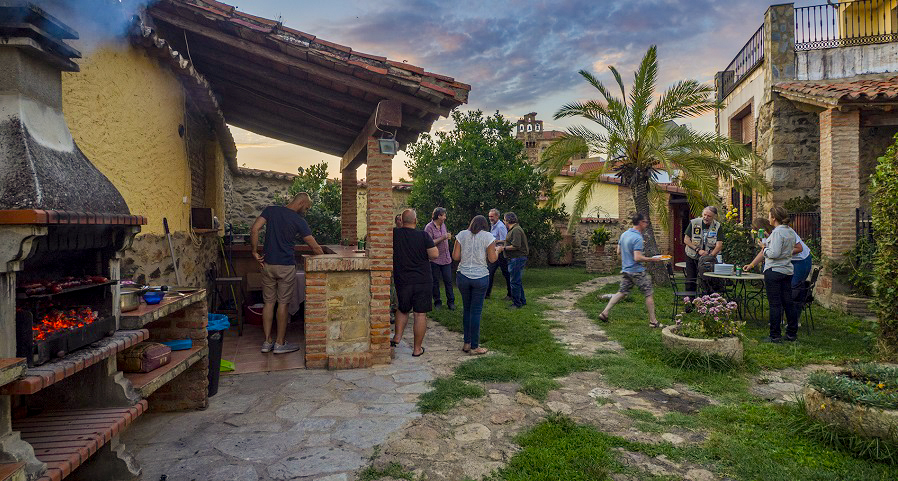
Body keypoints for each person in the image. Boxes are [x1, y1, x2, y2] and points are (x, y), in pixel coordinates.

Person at [250, 192, 324, 354]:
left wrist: (255, 252)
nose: (306, 210)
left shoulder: (271, 211)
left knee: (268, 303)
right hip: (286, 267)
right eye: (307, 207)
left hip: (267, 265)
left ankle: (267, 341)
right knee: (283, 304)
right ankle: (279, 343)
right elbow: (315, 247)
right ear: (301, 202)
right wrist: (326, 259)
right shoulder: (299, 220)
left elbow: (255, 229)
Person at [598, 213, 666, 327]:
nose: (647, 224)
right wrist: (653, 259)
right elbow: (637, 258)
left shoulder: (624, 234)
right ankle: (653, 322)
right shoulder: (638, 238)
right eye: (645, 222)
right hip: (637, 271)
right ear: (640, 223)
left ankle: (605, 313)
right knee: (649, 294)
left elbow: (618, 252)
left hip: (626, 270)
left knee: (622, 292)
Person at [744, 207, 799, 343]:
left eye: (770, 216)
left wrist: (764, 247)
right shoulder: (790, 231)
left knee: (775, 304)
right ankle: (792, 333)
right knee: (788, 302)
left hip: (774, 270)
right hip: (787, 270)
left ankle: (775, 335)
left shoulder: (777, 233)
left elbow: (774, 253)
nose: (768, 219)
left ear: (774, 218)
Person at [392, 209, 439, 357]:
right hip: (422, 279)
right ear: (415, 221)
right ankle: (417, 349)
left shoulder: (395, 234)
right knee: (420, 314)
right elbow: (434, 254)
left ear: (401, 220)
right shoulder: (423, 235)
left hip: (403, 279)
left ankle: (397, 337)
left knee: (403, 308)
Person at [452, 215, 498, 355]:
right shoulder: (488, 237)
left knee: (467, 309)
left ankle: (467, 343)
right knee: (476, 311)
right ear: (484, 225)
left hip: (463, 276)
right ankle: (475, 346)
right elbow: (492, 258)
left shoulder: (461, 235)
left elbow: (455, 257)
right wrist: (498, 251)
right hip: (480, 277)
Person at [749, 217, 808, 322]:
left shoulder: (784, 231)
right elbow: (765, 251)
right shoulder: (768, 236)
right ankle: (779, 319)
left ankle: (794, 321)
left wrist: (780, 253)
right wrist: (752, 265)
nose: (758, 233)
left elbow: (799, 248)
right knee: (780, 294)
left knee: (794, 290)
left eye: (758, 230)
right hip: (785, 263)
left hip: (801, 260)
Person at [683, 206, 723, 294]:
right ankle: (689, 304)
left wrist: (711, 256)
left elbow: (719, 245)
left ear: (714, 217)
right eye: (704, 215)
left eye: (709, 216)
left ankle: (707, 302)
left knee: (708, 281)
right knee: (691, 280)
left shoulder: (717, 226)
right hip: (692, 255)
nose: (706, 217)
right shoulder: (694, 223)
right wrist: (698, 250)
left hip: (708, 258)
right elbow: (686, 240)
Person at [425, 207, 455, 310]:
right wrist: (443, 238)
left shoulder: (443, 225)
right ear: (439, 216)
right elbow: (428, 243)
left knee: (448, 281)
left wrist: (447, 238)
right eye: (444, 215)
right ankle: (437, 302)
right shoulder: (429, 227)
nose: (445, 217)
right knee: (435, 282)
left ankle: (451, 302)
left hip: (446, 259)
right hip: (435, 259)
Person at [497, 212, 528, 309]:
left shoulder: (516, 230)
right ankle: (522, 300)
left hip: (517, 258)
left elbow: (516, 245)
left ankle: (516, 303)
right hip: (515, 258)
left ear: (508, 220)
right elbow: (510, 241)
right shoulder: (513, 229)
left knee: (514, 281)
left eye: (504, 220)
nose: (503, 221)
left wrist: (503, 248)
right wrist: (499, 242)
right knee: (517, 280)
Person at [485, 208, 512, 300]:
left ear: (497, 216)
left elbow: (505, 241)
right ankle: (487, 294)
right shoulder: (493, 225)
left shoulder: (500, 226)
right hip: (494, 251)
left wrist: (495, 241)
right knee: (490, 272)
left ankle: (510, 294)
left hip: (501, 253)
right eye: (489, 216)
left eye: (492, 216)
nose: (490, 218)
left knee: (506, 273)